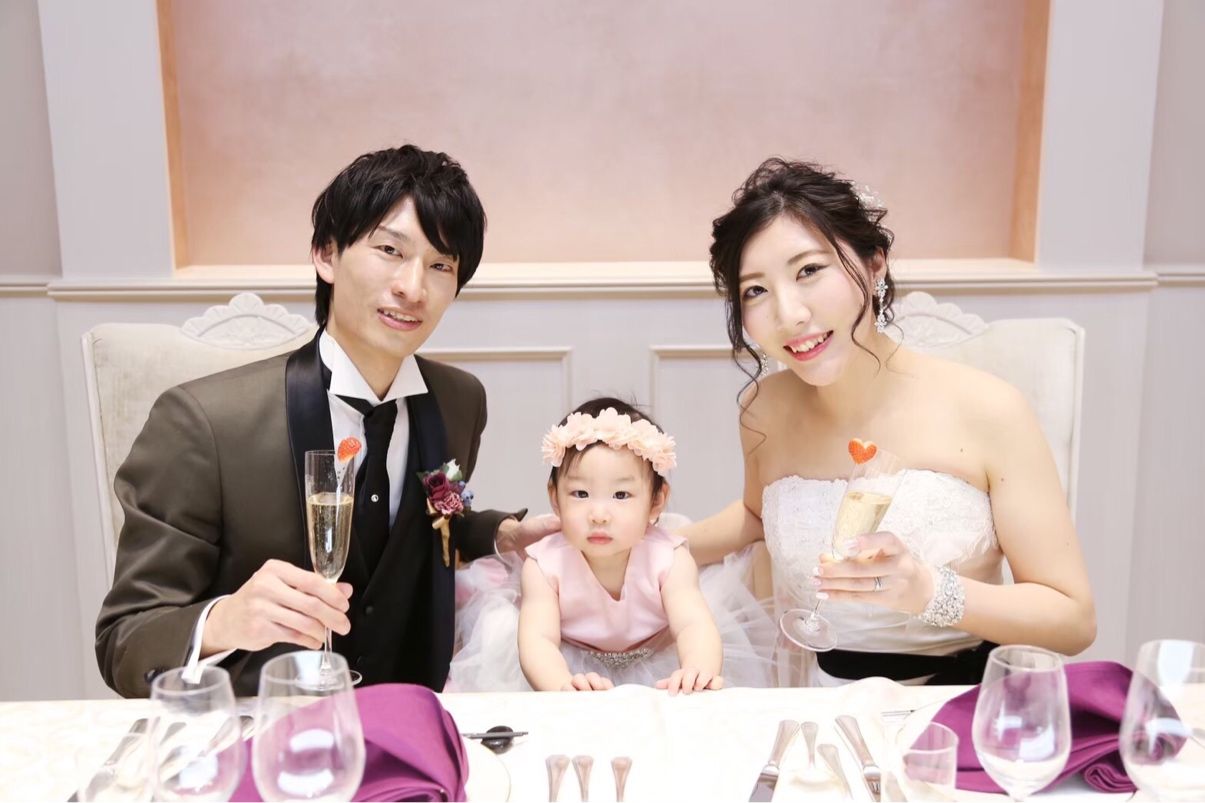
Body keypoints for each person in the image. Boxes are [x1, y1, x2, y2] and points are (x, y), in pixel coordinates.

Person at [95, 145, 558, 697]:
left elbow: (431, 518)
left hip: (416, 718)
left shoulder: (460, 401)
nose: (413, 288)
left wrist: (497, 534)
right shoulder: (205, 424)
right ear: (326, 254)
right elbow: (125, 641)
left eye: (441, 265)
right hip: (268, 726)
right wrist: (224, 620)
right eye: (390, 250)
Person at [683, 158, 1096, 686]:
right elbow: (757, 514)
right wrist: (639, 541)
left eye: (808, 271)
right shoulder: (763, 409)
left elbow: (1073, 620)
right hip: (820, 702)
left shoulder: (989, 409)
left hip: (954, 705)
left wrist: (929, 591)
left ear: (874, 264)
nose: (790, 314)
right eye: (755, 291)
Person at [446, 398, 775, 693]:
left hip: (657, 657)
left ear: (656, 502)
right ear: (555, 498)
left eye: (621, 495)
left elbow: (693, 623)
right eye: (580, 494)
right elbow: (538, 639)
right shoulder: (543, 564)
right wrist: (561, 684)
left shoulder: (670, 558)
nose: (599, 514)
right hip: (568, 663)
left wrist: (697, 668)